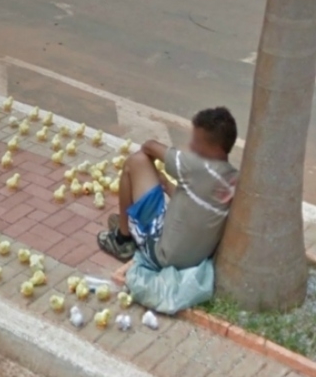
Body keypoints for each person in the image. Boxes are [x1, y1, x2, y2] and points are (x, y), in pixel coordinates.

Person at [97, 106, 239, 270]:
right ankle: (131, 225)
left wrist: (177, 160)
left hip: (163, 255)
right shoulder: (234, 179)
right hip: (193, 260)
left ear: (214, 147)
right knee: (158, 187)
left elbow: (149, 146)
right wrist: (166, 185)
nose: (192, 146)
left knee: (136, 161)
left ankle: (122, 240)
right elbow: (196, 205)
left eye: (197, 141)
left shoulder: (196, 166)